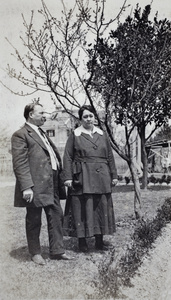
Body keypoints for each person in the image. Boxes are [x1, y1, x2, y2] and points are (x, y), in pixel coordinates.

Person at [11, 101, 72, 265]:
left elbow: (53, 158)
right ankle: (35, 252)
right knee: (34, 219)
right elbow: (20, 163)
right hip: (35, 185)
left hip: (51, 183)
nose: (45, 116)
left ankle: (58, 251)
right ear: (31, 115)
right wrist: (27, 187)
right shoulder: (21, 134)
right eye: (42, 113)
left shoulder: (42, 133)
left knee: (56, 216)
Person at [63, 105, 118, 252]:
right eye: (85, 116)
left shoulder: (102, 134)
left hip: (102, 176)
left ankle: (99, 241)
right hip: (82, 175)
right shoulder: (75, 135)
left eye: (91, 116)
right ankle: (82, 242)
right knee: (82, 208)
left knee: (100, 207)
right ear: (81, 119)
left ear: (95, 117)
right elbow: (67, 157)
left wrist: (114, 175)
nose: (89, 119)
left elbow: (110, 156)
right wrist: (67, 177)